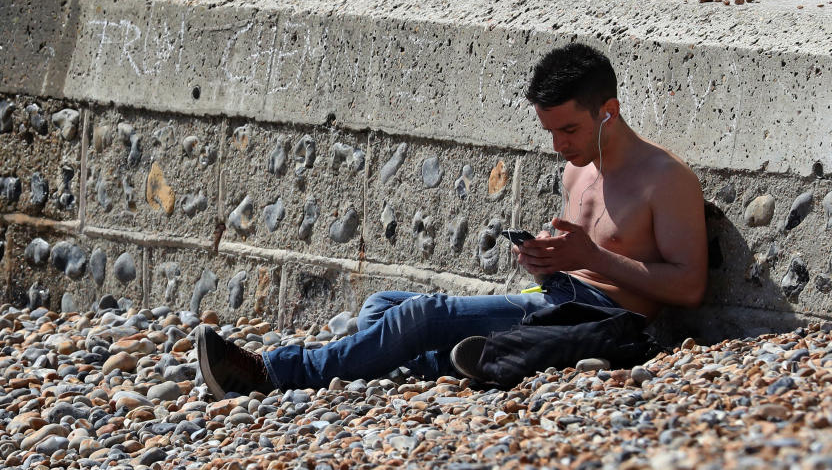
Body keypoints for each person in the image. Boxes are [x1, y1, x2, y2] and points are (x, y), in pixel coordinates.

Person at [196, 43, 708, 398]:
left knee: (419, 317)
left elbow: (688, 288)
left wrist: (592, 258)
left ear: (608, 111)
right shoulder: (579, 170)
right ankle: (440, 361)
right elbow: (576, 259)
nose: (558, 145)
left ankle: (273, 371)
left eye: (569, 129)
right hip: (554, 298)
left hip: (600, 319)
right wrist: (545, 262)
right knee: (384, 304)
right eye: (550, 132)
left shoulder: (665, 180)